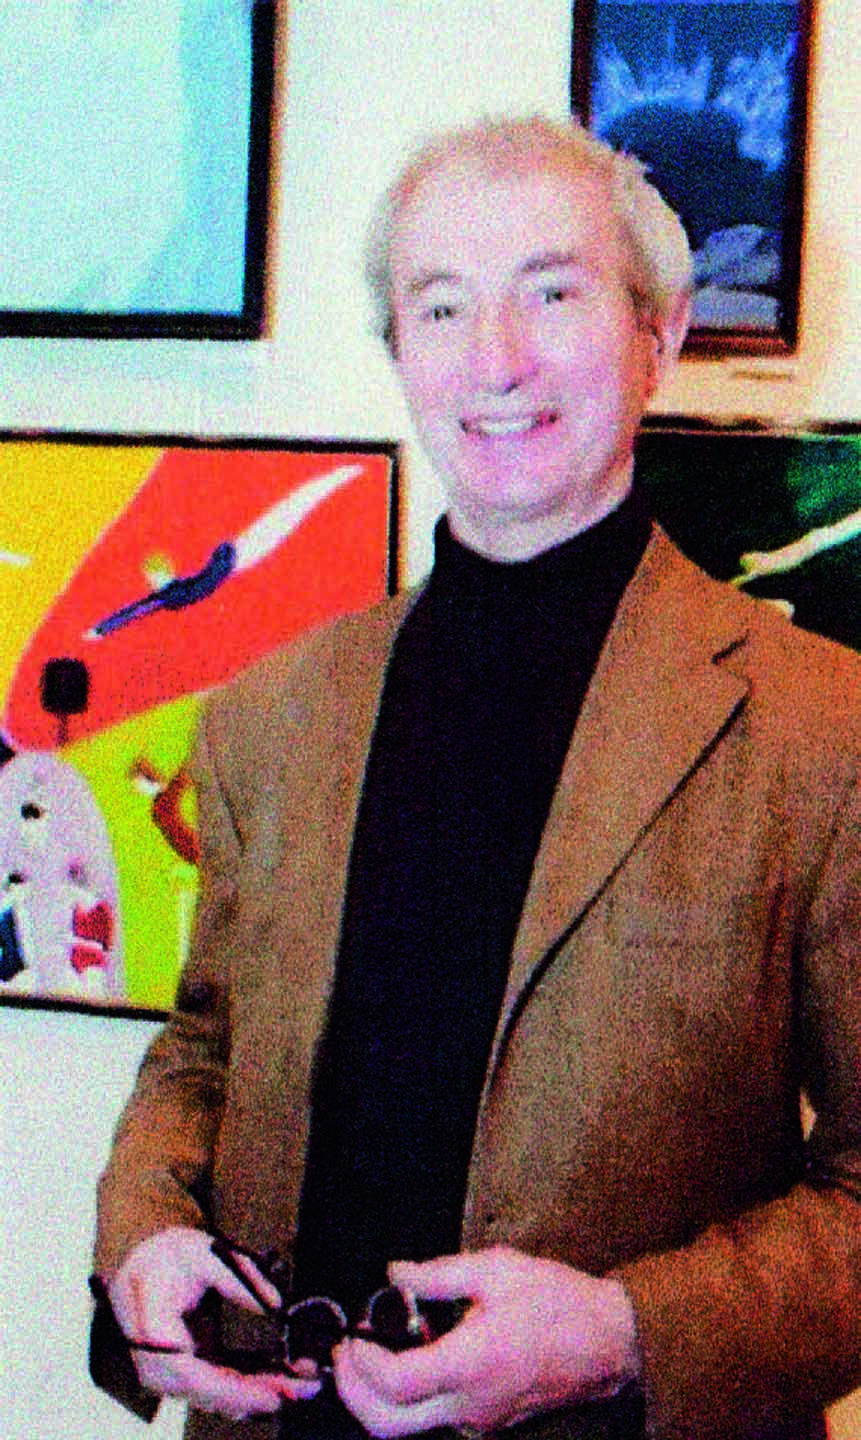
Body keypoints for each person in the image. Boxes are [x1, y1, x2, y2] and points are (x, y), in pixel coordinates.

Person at [90, 115, 861, 1440]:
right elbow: (204, 1049)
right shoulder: (271, 713)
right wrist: (144, 1232)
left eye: (552, 294)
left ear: (660, 333)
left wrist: (626, 1336)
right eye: (441, 307)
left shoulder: (824, 728)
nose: (495, 360)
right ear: (400, 350)